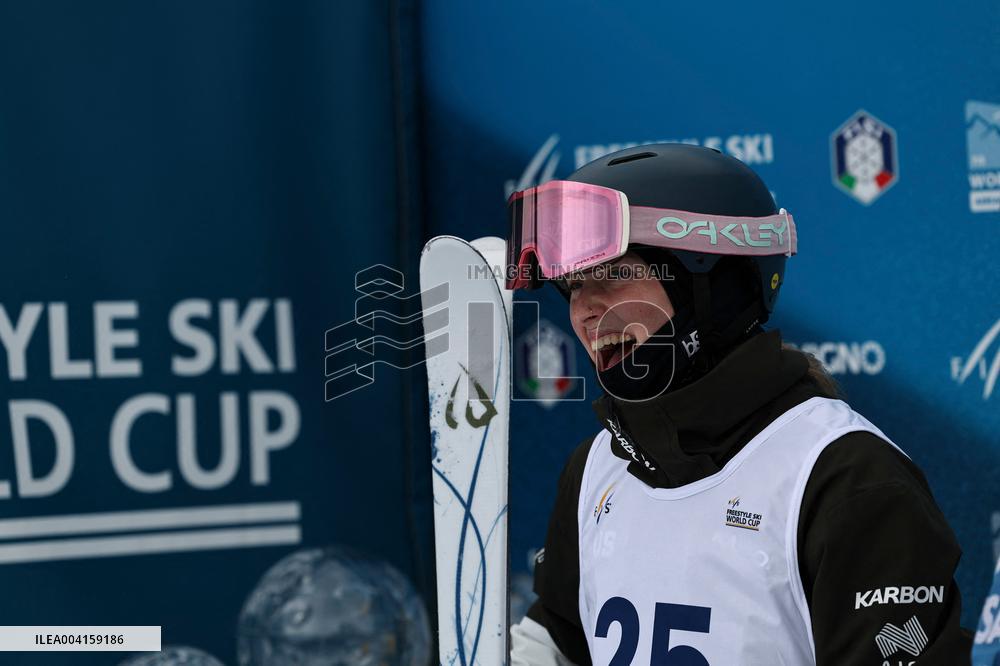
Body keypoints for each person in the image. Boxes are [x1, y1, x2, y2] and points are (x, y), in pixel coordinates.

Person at [505, 144, 972, 664]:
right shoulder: (598, 466)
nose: (585, 311)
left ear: (708, 283)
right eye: (573, 285)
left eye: (613, 275)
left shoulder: (846, 478)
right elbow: (559, 639)